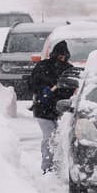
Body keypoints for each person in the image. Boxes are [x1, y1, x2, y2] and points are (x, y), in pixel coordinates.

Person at [28, 40, 74, 174]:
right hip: (43, 109)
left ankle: (59, 166)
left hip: (62, 110)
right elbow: (31, 85)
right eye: (60, 56)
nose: (62, 59)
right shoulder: (42, 67)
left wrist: (61, 92)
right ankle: (47, 166)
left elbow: (71, 90)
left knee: (60, 138)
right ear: (54, 54)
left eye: (64, 56)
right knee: (49, 137)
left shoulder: (69, 70)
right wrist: (42, 90)